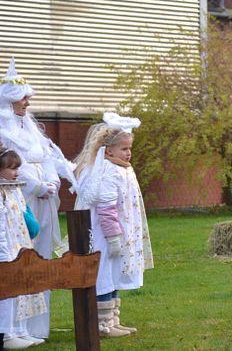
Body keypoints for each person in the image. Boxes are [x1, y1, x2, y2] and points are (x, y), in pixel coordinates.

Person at [0, 58, 73, 340]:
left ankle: (35, 326)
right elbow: (13, 166)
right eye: (22, 98)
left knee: (40, 258)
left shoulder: (30, 128)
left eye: (28, 98)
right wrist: (37, 185)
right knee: (21, 256)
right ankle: (14, 327)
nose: (27, 103)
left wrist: (52, 181)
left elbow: (48, 156)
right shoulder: (5, 132)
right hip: (20, 201)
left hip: (44, 199)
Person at [73, 112, 153, 338]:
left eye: (130, 148)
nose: (128, 153)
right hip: (106, 235)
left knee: (115, 273)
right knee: (104, 275)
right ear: (109, 150)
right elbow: (106, 208)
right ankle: (101, 324)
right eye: (124, 149)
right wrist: (113, 237)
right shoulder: (107, 171)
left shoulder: (122, 168)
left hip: (118, 232)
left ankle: (112, 320)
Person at [0, 148, 47, 349]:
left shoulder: (13, 189)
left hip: (19, 246)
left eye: (17, 168)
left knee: (22, 290)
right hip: (7, 250)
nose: (16, 172)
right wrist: (4, 255)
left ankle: (21, 330)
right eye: (11, 168)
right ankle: (7, 333)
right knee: (8, 293)